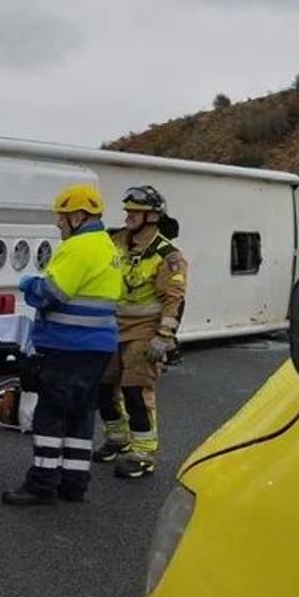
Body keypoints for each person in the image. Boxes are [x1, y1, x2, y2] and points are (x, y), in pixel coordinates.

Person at [2, 184, 122, 506]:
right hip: (98, 347)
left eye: (62, 216)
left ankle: (41, 484)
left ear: (79, 216)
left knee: (50, 415)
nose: (58, 223)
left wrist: (27, 282)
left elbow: (51, 293)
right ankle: (74, 483)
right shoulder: (107, 246)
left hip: (68, 345)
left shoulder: (79, 247)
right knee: (81, 413)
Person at [92, 185, 188, 479]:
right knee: (103, 387)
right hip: (112, 327)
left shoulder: (168, 256)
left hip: (145, 331)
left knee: (135, 389)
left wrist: (164, 337)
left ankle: (143, 452)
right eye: (128, 211)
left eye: (135, 211)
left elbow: (174, 299)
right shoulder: (116, 241)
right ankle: (118, 439)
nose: (129, 215)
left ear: (153, 216)